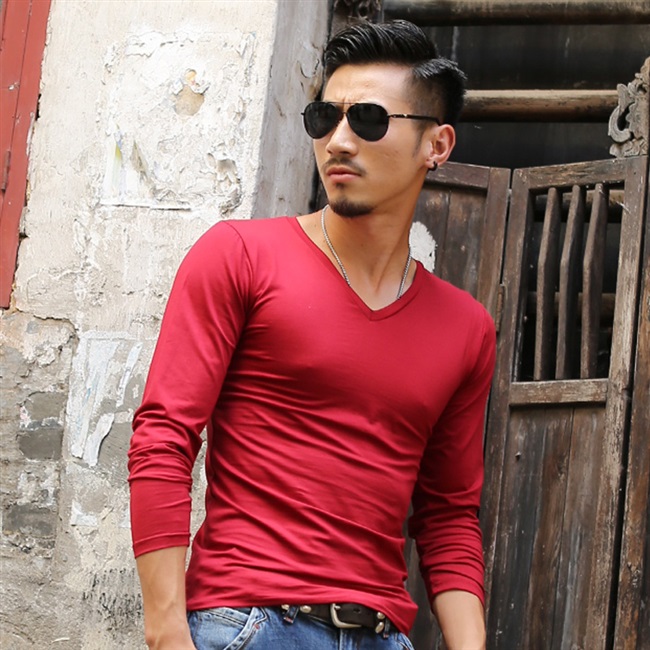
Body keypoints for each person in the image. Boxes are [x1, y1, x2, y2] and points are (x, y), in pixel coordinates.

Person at [128, 19, 496, 650]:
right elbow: (163, 437)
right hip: (249, 624)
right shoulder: (240, 256)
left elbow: (448, 517)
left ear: (436, 145)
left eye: (370, 120)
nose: (339, 141)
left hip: (383, 634)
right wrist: (167, 634)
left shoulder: (466, 328)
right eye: (326, 117)